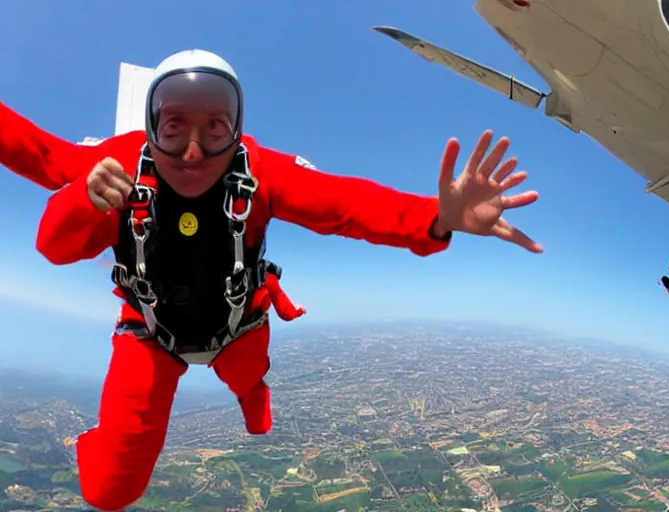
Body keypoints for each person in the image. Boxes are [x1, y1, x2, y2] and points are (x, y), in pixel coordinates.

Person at [26, 49, 543, 511]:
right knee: (109, 492)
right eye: (174, 127)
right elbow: (48, 227)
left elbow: (346, 204)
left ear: (236, 128)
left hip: (239, 327)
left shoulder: (260, 170)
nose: (192, 152)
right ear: (150, 125)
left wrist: (434, 216)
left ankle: (253, 398)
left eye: (215, 129)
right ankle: (152, 428)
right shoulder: (111, 164)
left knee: (248, 379)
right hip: (148, 335)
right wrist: (81, 199)